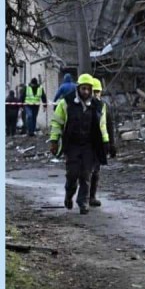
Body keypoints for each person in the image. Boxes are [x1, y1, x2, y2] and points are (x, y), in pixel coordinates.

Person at [49, 74, 111, 214]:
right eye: (84, 89)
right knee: (72, 174)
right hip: (72, 145)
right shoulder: (66, 102)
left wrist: (106, 142)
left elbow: (102, 126)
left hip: (89, 145)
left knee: (86, 174)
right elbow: (57, 122)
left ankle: (83, 202)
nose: (87, 92)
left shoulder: (98, 105)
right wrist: (54, 140)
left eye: (89, 89)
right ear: (78, 88)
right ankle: (69, 194)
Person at [89, 77, 116, 207]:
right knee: (84, 171)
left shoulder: (104, 106)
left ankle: (91, 196)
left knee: (95, 170)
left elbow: (109, 125)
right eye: (93, 91)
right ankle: (82, 195)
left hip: (98, 143)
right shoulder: (82, 106)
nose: (95, 94)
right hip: (85, 143)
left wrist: (111, 144)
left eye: (97, 91)